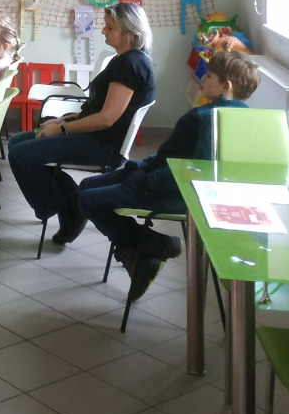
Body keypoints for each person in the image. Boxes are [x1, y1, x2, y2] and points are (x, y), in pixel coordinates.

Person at [78, 50, 260, 301]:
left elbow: (197, 171)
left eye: (209, 76)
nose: (203, 79)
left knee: (87, 198)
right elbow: (177, 155)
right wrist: (146, 166)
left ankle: (150, 244)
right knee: (87, 185)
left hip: (172, 191)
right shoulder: (249, 117)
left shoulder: (206, 118)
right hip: (162, 177)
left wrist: (148, 179)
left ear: (225, 86)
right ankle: (140, 253)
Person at [7, 2, 155, 243]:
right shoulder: (124, 60)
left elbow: (107, 118)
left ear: (130, 33)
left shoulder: (130, 65)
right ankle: (72, 201)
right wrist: (66, 119)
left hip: (102, 145)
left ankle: (67, 208)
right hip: (94, 135)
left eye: (110, 27)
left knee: (20, 155)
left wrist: (62, 128)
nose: (103, 31)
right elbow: (99, 107)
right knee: (16, 143)